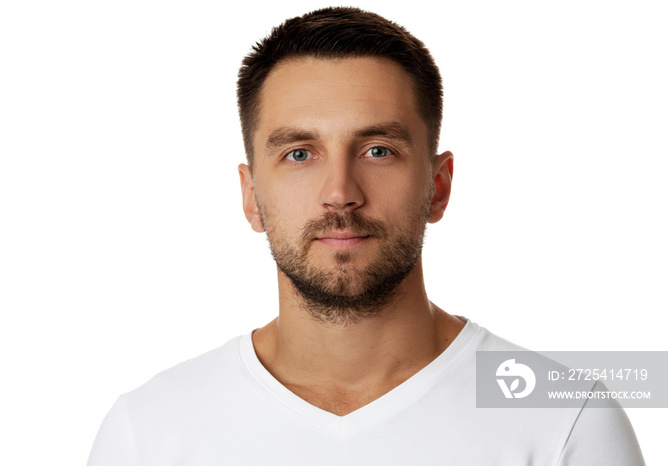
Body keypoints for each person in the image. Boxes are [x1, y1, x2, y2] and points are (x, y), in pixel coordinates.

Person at [87, 7, 644, 465]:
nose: (340, 191)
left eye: (379, 150)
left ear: (438, 186)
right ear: (251, 195)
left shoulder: (567, 423)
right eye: (299, 153)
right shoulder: (149, 433)